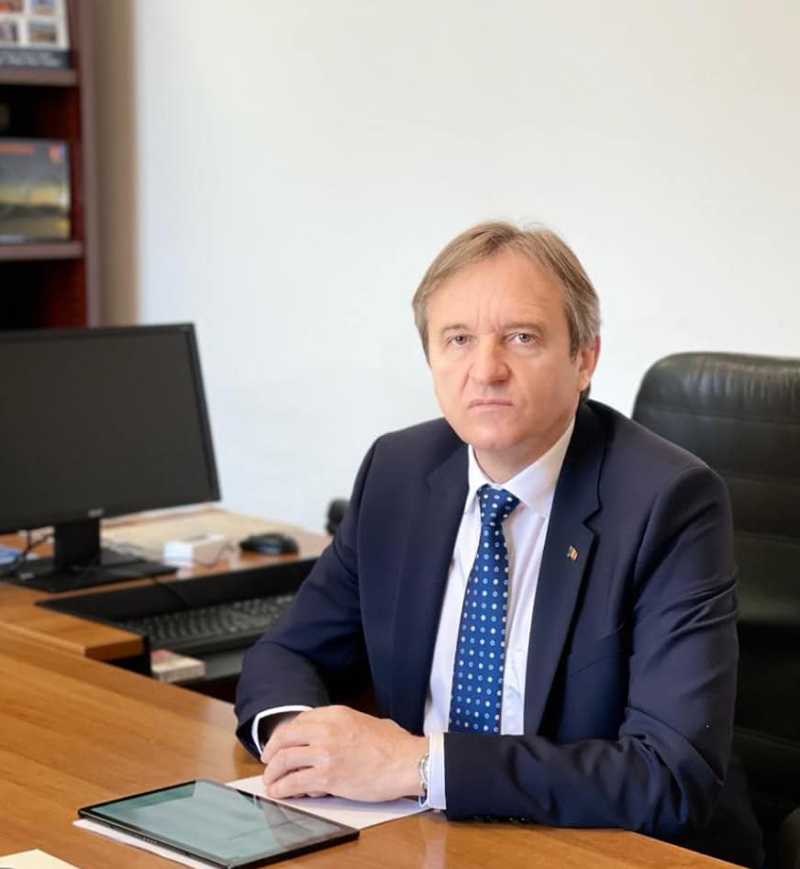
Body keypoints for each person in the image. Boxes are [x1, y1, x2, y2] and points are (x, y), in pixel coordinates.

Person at [235, 221, 763, 867]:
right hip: (426, 838)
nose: (486, 370)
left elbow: (670, 774)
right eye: (458, 339)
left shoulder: (668, 500)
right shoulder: (398, 470)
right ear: (431, 359)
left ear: (584, 358)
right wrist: (301, 739)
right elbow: (288, 650)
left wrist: (420, 765)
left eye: (522, 337)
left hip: (607, 850)